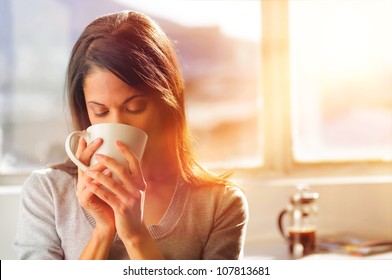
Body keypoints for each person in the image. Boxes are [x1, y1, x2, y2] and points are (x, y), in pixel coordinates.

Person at [13, 10, 248, 260]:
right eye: (100, 111)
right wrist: (103, 232)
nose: (117, 125)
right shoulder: (47, 193)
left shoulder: (220, 204)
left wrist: (135, 236)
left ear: (165, 103)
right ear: (84, 109)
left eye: (134, 108)